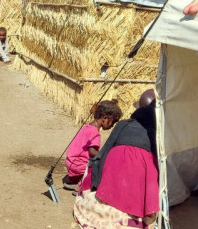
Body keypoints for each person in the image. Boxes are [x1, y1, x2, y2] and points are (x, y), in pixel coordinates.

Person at [74, 89, 160, 229]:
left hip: (111, 185)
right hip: (139, 183)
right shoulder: (157, 133)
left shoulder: (123, 125)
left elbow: (103, 154)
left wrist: (92, 180)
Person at [64, 100, 122, 191]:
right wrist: (105, 157)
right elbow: (92, 152)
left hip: (70, 162)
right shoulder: (95, 133)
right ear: (104, 119)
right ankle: (81, 187)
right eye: (112, 122)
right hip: (78, 166)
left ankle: (73, 180)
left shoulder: (87, 127)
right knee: (100, 165)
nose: (112, 126)